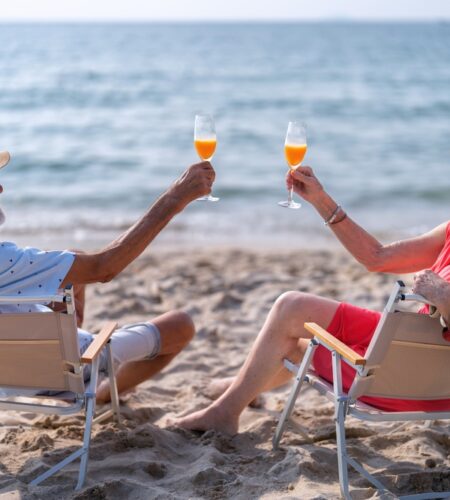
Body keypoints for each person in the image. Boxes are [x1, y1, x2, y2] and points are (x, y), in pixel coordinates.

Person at [175, 165, 450, 435]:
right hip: (409, 352)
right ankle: (236, 390)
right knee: (294, 318)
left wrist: (443, 294)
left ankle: (227, 406)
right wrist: (319, 198)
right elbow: (376, 257)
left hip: (412, 382)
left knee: (291, 327)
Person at [0, 150, 216, 404]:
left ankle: (75, 347)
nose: (2, 188)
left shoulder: (11, 264)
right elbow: (104, 267)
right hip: (59, 369)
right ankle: (101, 393)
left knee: (72, 265)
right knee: (180, 325)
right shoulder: (7, 260)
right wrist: (175, 198)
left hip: (9, 370)